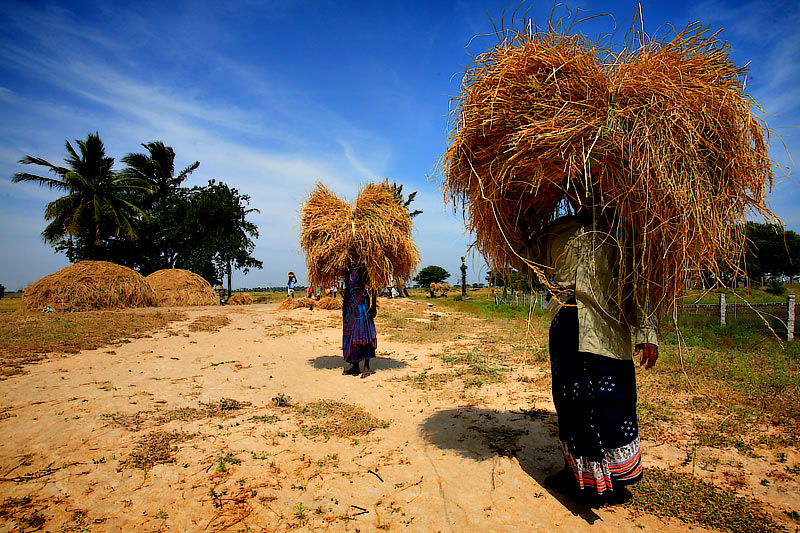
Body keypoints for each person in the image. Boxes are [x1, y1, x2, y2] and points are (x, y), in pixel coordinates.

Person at [513, 212, 659, 500]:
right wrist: (516, 226)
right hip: (566, 325)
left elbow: (640, 285)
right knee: (570, 403)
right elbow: (524, 259)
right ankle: (574, 473)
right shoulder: (557, 229)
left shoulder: (625, 234)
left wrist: (647, 332)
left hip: (608, 331)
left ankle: (615, 479)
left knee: (613, 404)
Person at [341, 265, 378, 378]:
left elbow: (374, 287)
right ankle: (355, 365)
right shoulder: (346, 268)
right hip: (349, 305)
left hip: (361, 305)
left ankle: (366, 367)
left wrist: (374, 306)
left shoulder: (364, 269)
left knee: (363, 333)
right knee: (351, 334)